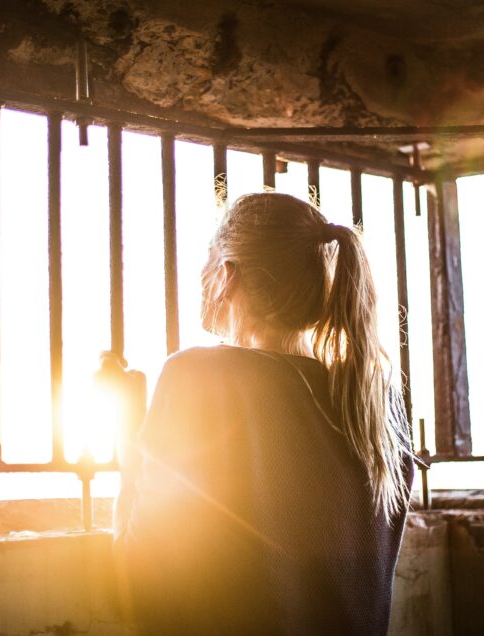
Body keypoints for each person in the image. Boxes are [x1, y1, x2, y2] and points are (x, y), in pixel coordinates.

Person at [112, 191, 415, 635]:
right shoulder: (374, 404)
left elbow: (140, 582)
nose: (200, 272)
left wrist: (128, 455)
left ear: (226, 276)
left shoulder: (198, 377)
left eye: (208, 255)